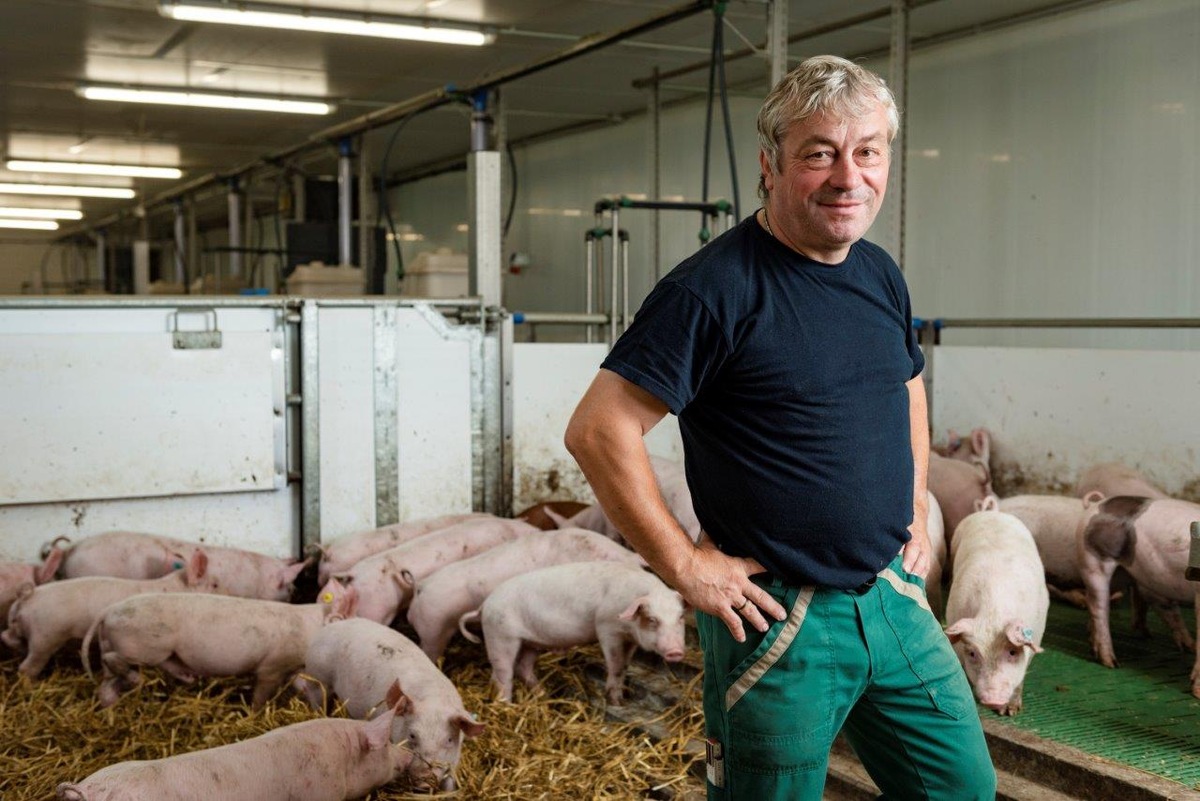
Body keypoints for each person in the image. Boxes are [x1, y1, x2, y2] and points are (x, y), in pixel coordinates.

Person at [564, 55, 996, 800]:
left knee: (962, 788)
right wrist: (685, 566)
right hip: (781, 619)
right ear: (770, 165)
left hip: (893, 597)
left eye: (867, 151)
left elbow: (908, 383)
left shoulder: (878, 272)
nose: (847, 176)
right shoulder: (713, 289)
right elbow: (598, 429)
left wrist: (916, 512)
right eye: (819, 153)